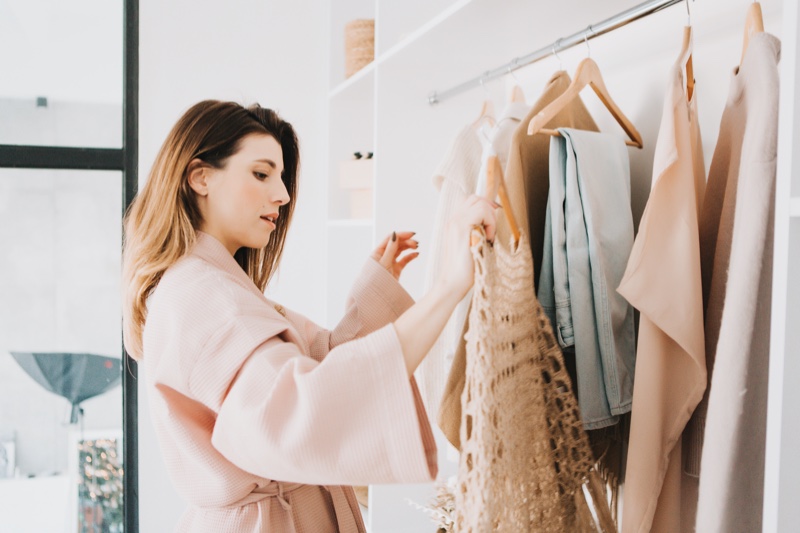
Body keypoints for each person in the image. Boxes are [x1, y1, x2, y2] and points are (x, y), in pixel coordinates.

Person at [122, 100, 497, 532]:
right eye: (261, 174)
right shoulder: (202, 293)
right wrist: (449, 285)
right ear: (200, 177)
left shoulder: (210, 283)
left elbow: (316, 364)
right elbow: (305, 407)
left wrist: (374, 291)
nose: (281, 194)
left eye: (280, 177)